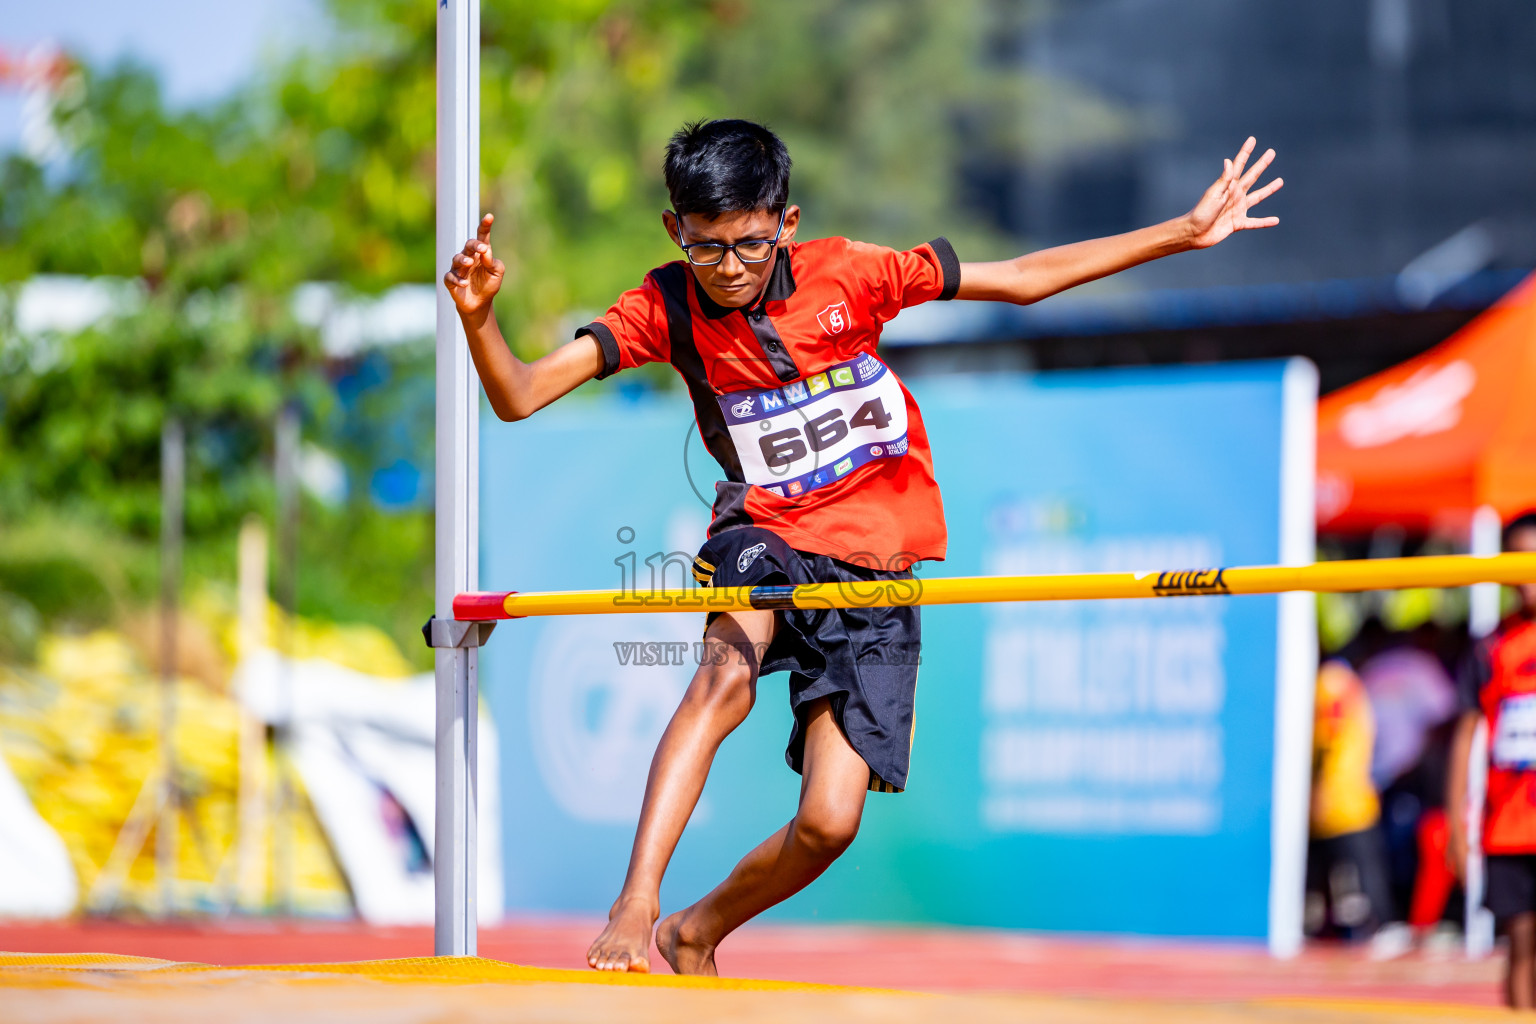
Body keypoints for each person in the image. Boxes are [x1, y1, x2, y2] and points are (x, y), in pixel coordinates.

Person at [442, 118, 1282, 975]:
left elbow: (1024, 279)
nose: (729, 269)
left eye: (750, 245)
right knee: (723, 679)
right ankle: (636, 901)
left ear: (788, 223)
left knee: (830, 823)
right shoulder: (663, 304)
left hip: (877, 560)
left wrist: (1184, 231)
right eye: (707, 249)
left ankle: (695, 929)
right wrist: (480, 323)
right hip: (762, 530)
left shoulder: (854, 271)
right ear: (674, 232)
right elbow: (519, 394)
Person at [1448, 511, 1536, 1007]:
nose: (1527, 576)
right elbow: (1465, 738)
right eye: (1517, 561)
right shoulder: (1491, 646)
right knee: (1522, 944)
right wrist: (1459, 829)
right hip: (1509, 826)